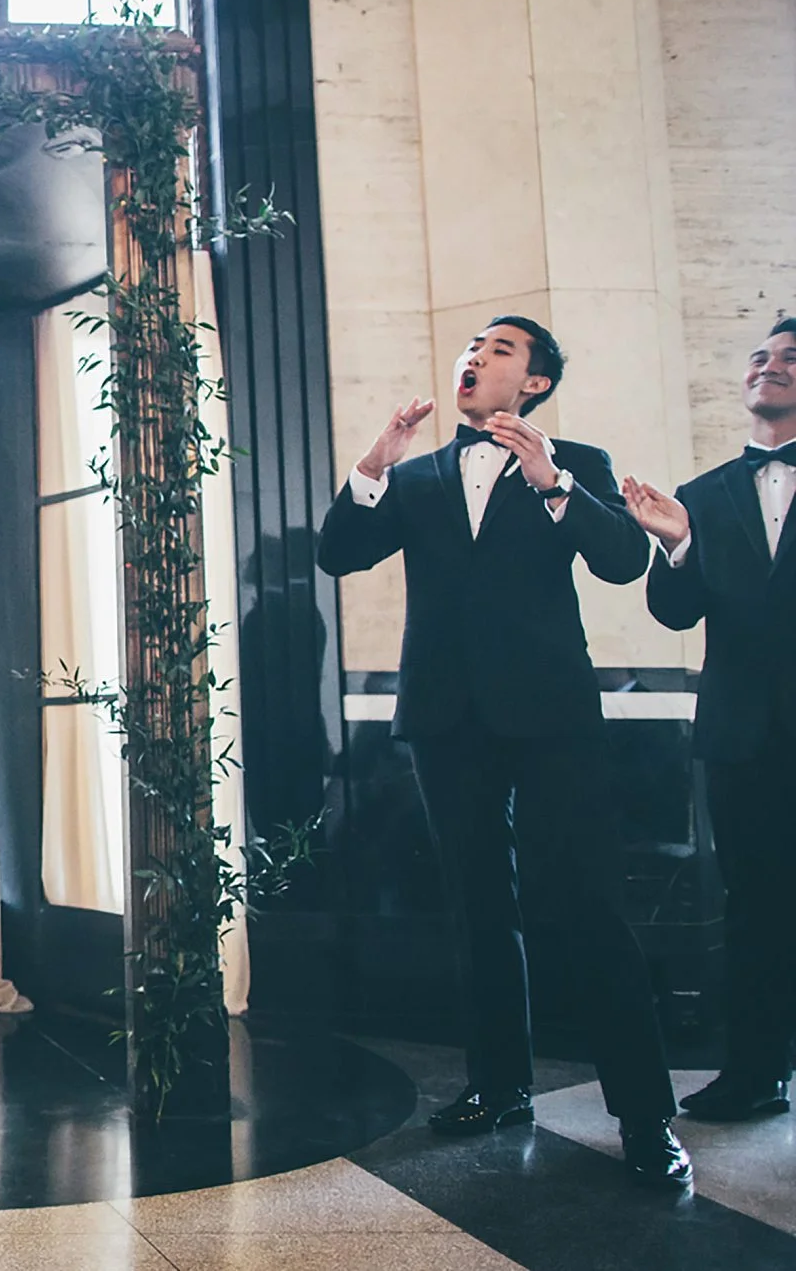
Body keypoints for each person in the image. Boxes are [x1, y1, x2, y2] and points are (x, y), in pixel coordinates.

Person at [315, 316, 690, 1190]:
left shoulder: (577, 463)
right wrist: (373, 464)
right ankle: (498, 1086)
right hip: (445, 718)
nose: (475, 357)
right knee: (478, 907)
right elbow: (338, 553)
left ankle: (645, 1115)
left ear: (536, 383)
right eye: (471, 348)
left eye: (499, 350)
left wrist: (553, 481)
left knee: (591, 906)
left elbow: (621, 560)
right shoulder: (415, 476)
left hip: (552, 715)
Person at [626, 316, 796, 1122]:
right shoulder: (701, 495)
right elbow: (674, 610)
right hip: (742, 735)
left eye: (791, 357)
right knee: (755, 905)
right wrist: (678, 546)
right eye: (760, 356)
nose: (770, 365)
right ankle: (757, 1072)